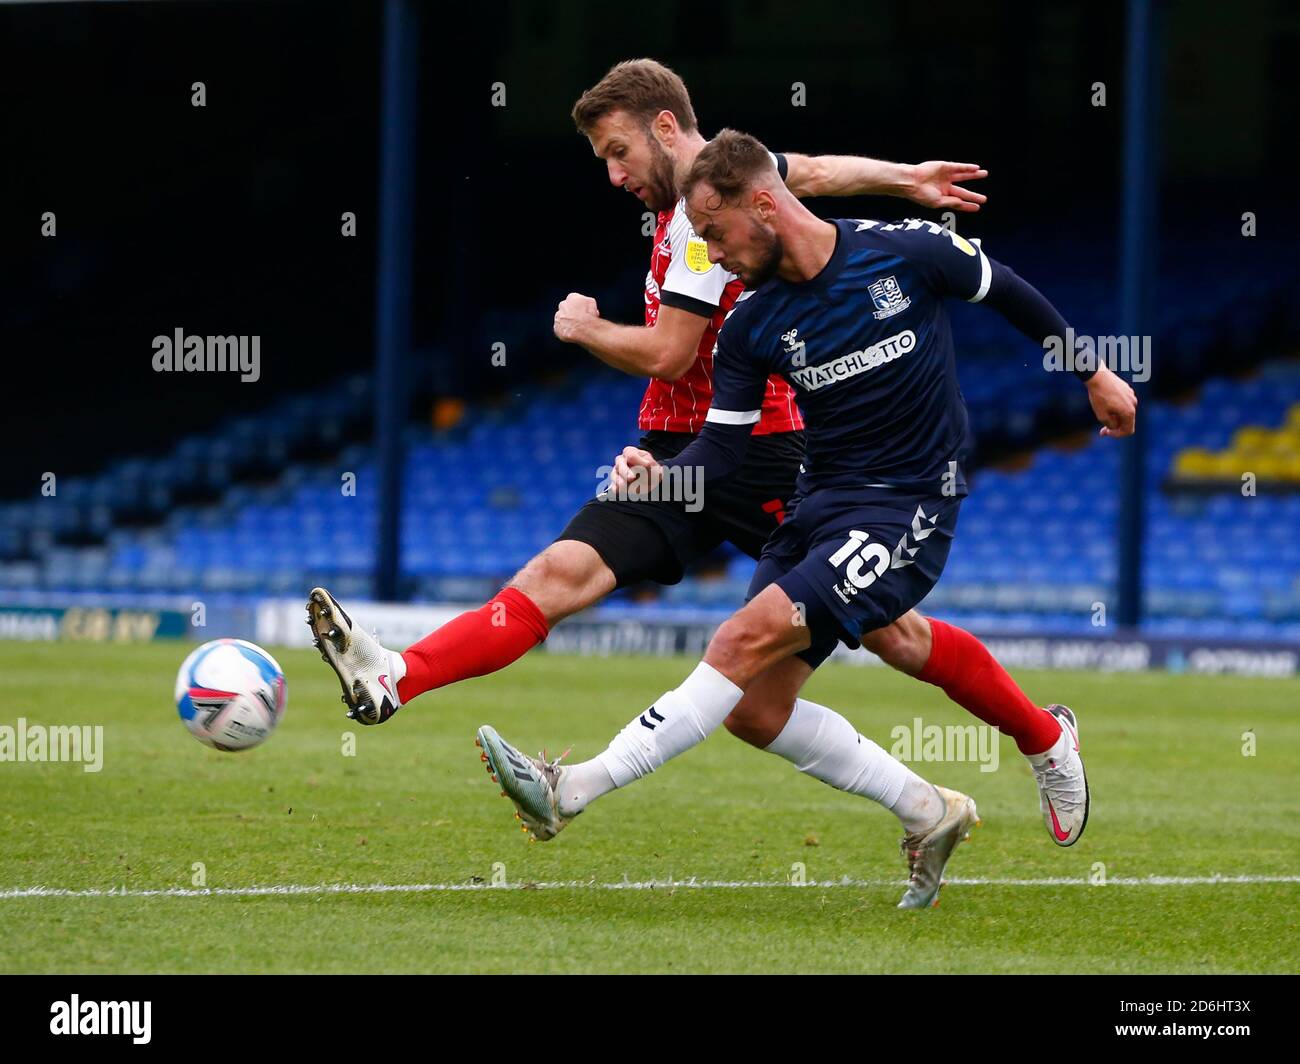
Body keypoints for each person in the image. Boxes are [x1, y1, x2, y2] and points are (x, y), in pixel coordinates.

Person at [476, 129, 1138, 898]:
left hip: (909, 504)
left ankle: (572, 789)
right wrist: (657, 480)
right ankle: (938, 803)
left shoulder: (910, 251)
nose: (713, 255)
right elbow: (719, 458)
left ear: (763, 204)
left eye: (717, 234)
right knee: (755, 711)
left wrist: (1094, 373)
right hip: (820, 503)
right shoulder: (752, 326)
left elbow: (1009, 290)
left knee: (741, 637)